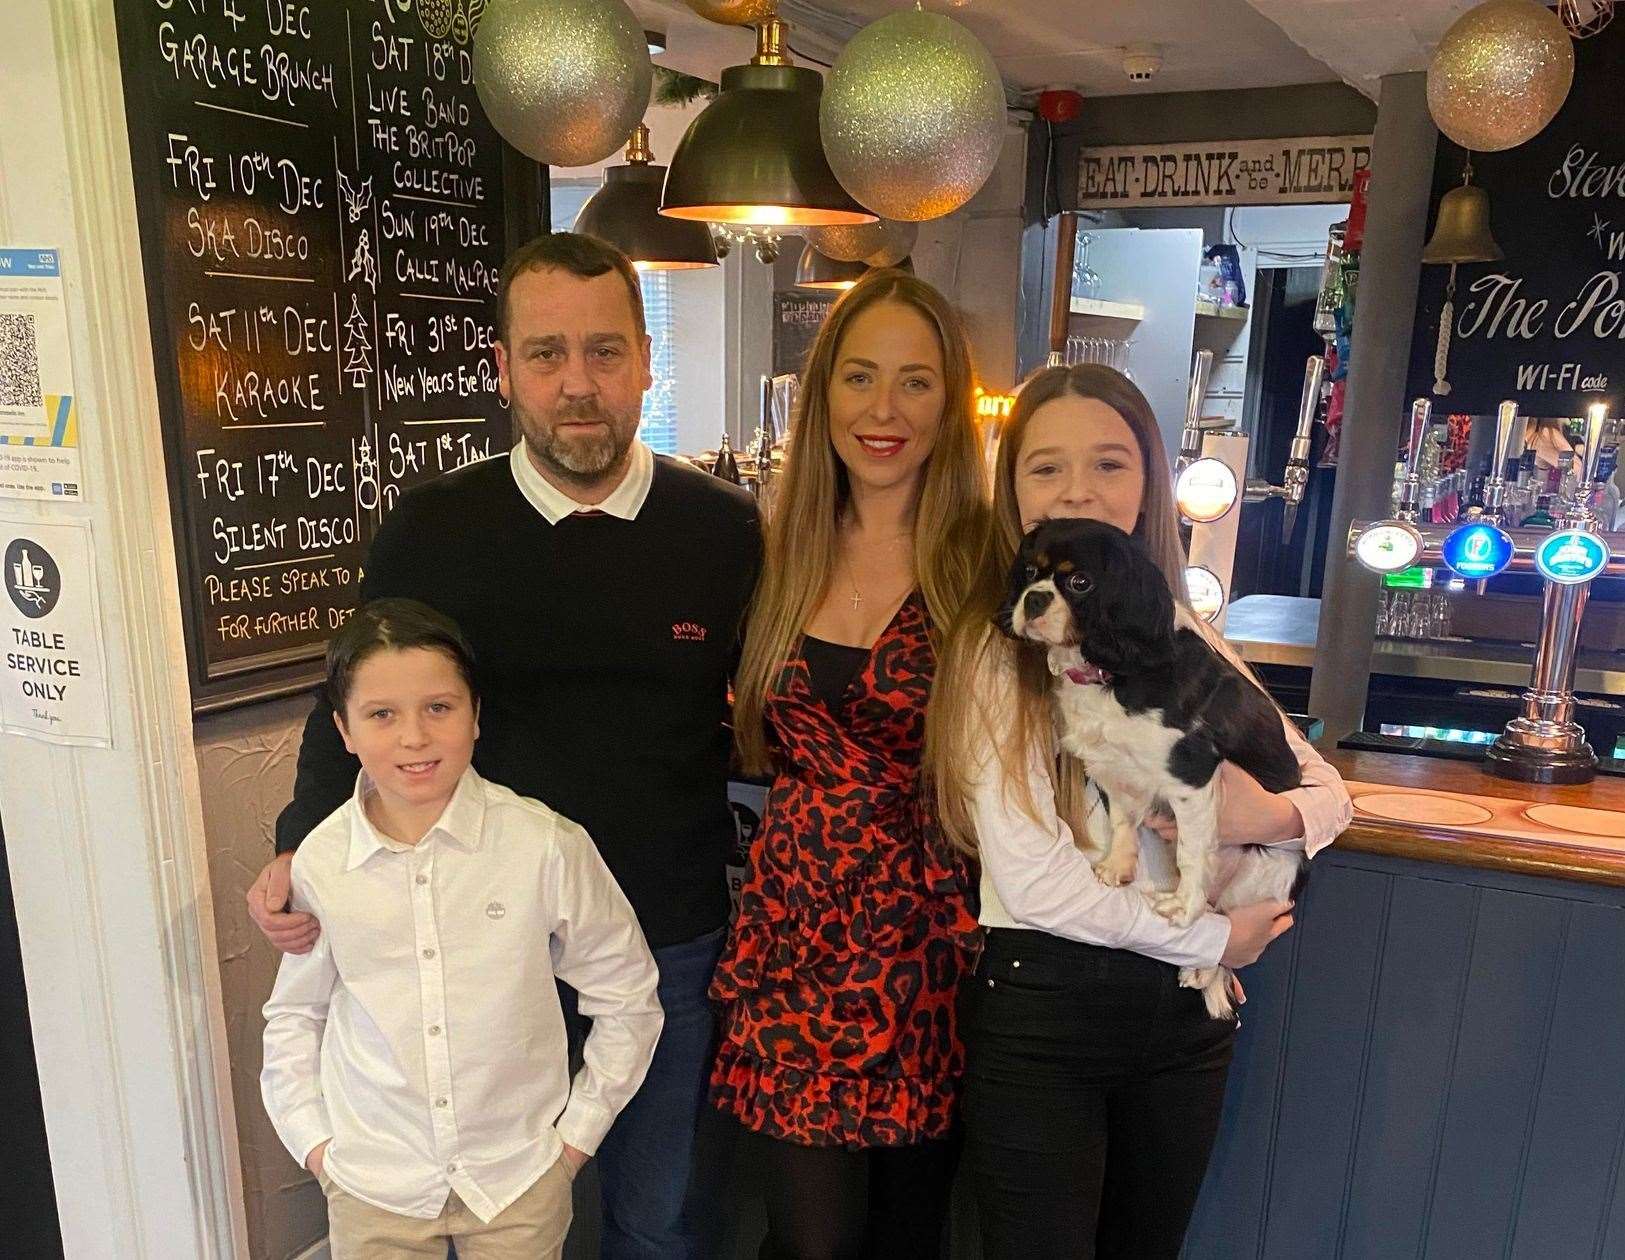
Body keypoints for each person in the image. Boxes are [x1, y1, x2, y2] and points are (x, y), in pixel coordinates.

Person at [246, 232, 761, 1258]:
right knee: (516, 1222)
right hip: (487, 947)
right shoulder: (434, 528)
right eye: (545, 354)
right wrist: (297, 843)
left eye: (606, 353)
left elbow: (765, 711)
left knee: (658, 1216)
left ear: (646, 362)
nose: (578, 385)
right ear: (502, 370)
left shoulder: (721, 529)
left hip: (666, 933)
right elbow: (348, 693)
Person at [926, 364, 1353, 1259]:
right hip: (1047, 1013)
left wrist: (1260, 817)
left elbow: (1329, 795)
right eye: (1045, 468)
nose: (1077, 488)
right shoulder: (989, 653)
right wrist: (1214, 943)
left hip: (1182, 1023)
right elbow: (1035, 889)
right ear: (1010, 490)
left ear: (1148, 485)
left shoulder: (1179, 628)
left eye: (1109, 464)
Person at [711, 269, 987, 1259]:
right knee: (806, 1241)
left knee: (907, 1237)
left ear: (948, 403)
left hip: (926, 950)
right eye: (859, 377)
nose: (882, 409)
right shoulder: (771, 550)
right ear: (821, 391)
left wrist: (1255, 834)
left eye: (914, 382)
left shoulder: (986, 563)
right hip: (793, 937)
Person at [261, 599, 663, 1260]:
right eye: (382, 715)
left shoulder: (543, 845)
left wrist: (571, 1145)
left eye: (438, 708)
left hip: (516, 1181)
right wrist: (319, 1148)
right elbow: (295, 1016)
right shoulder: (321, 863)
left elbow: (626, 996)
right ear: (344, 730)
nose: (414, 738)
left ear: (475, 715)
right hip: (374, 1186)